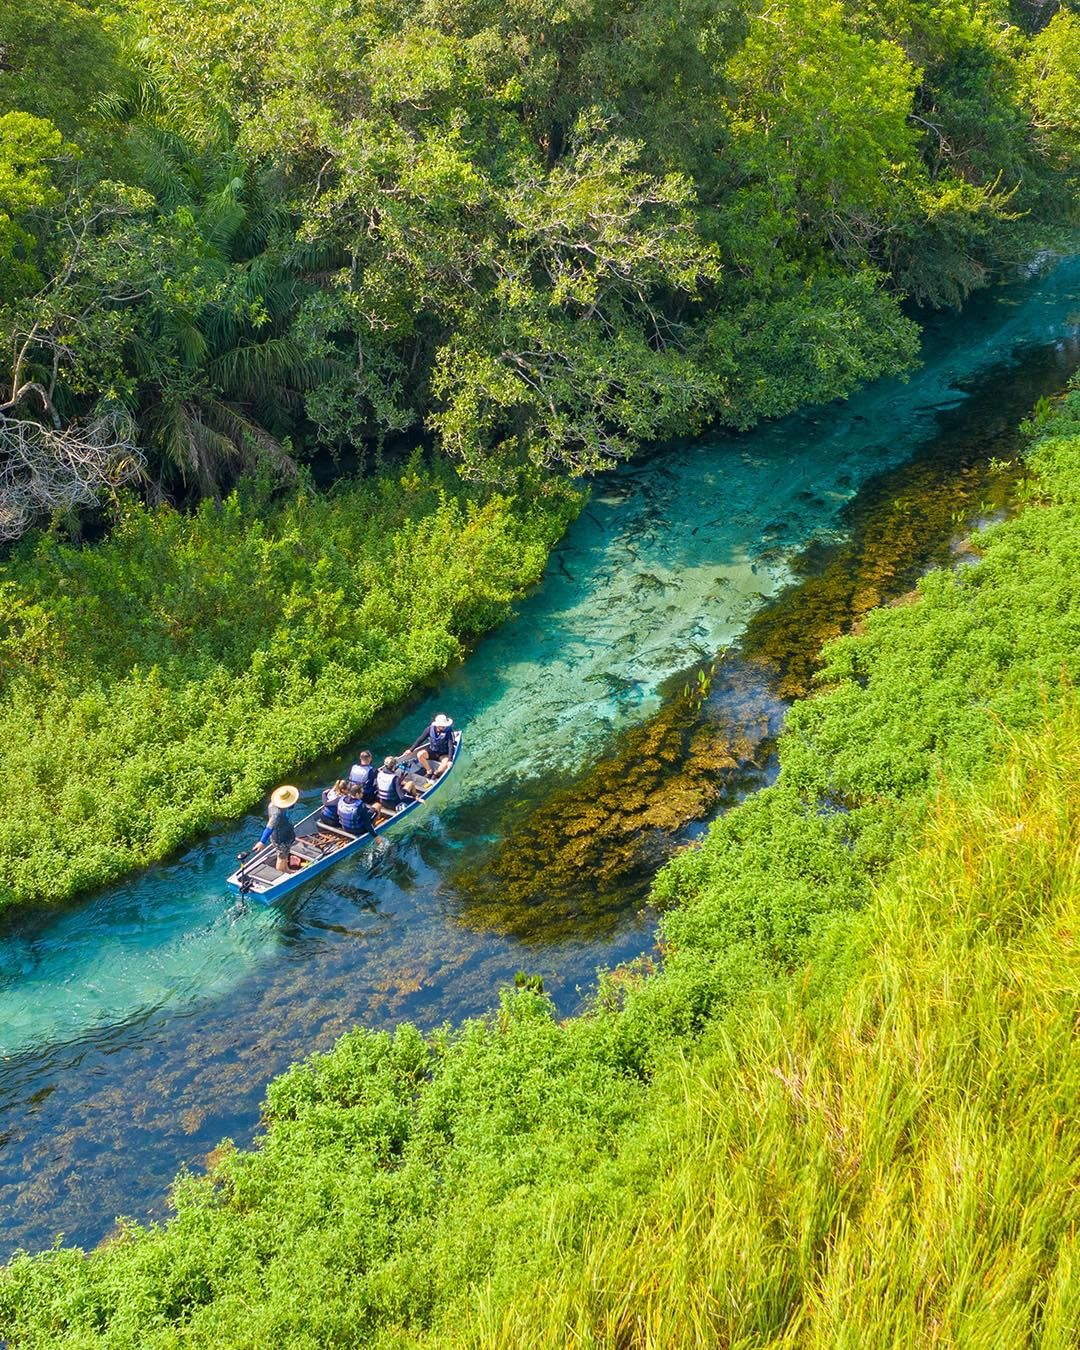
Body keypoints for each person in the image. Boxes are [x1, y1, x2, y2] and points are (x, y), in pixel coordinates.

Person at [258, 785, 299, 872]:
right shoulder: (276, 814)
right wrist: (262, 841)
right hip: (281, 838)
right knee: (282, 857)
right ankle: (281, 872)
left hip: (286, 834)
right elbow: (269, 827)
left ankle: (286, 868)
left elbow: (290, 807)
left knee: (285, 853)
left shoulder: (274, 804)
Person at [416, 713, 454, 778]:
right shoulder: (429, 729)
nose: (444, 727)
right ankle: (429, 771)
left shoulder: (448, 731)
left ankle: (435, 774)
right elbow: (420, 739)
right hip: (432, 751)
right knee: (420, 754)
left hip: (443, 754)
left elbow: (450, 746)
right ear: (437, 725)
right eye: (442, 725)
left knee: (445, 765)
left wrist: (450, 760)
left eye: (444, 725)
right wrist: (411, 750)